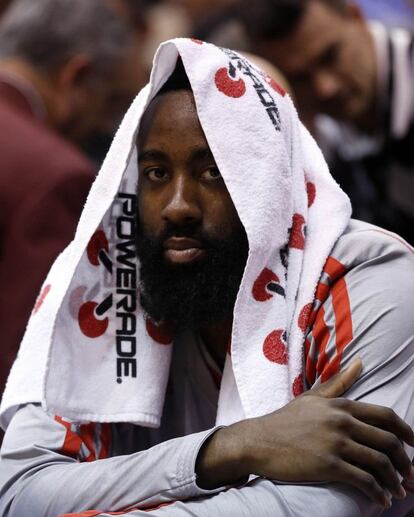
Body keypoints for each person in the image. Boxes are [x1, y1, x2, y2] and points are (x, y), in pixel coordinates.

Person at [1, 39, 414, 517]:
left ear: (271, 183)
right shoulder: (110, 283)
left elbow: (324, 506)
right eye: (156, 173)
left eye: (214, 172)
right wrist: (225, 449)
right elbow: (21, 493)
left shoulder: (366, 279)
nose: (178, 206)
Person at [0, 0, 137, 402]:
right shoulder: (54, 175)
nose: (103, 126)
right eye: (111, 103)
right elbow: (23, 364)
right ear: (77, 76)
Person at [239, 0, 414, 244]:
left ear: (356, 16)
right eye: (299, 78)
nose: (325, 88)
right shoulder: (321, 144)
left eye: (330, 56)